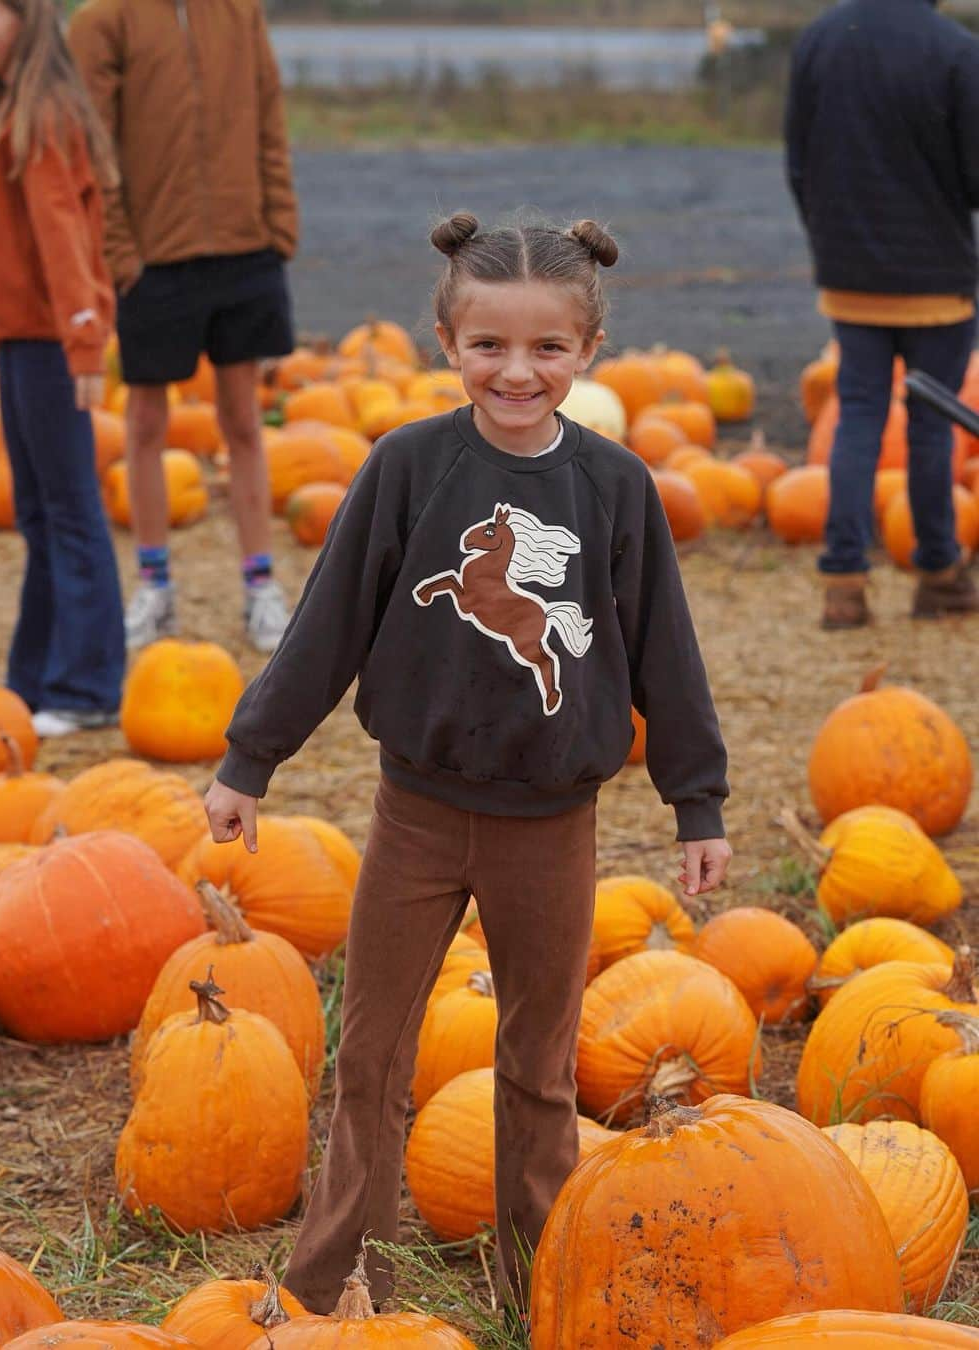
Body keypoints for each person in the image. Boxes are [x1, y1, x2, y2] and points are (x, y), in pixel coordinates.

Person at [204, 212, 731, 1318]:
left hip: (552, 822)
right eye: (489, 344)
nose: (518, 370)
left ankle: (541, 1277)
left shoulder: (617, 489)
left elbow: (666, 656)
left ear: (588, 352)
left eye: (547, 348)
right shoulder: (408, 469)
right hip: (418, 816)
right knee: (374, 1058)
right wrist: (250, 759)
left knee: (539, 1069)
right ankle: (337, 1277)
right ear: (447, 341)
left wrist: (699, 803)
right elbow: (329, 625)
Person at [69, 0, 298, 652]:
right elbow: (93, 142)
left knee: (244, 423)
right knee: (143, 423)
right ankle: (154, 587)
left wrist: (278, 224)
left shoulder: (238, 11)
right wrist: (119, 253)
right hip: (153, 262)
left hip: (246, 248)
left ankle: (260, 587)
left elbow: (269, 115)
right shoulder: (104, 19)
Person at [785, 0, 979, 629]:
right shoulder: (954, 49)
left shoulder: (819, 41)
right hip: (936, 276)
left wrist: (829, 238)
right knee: (929, 427)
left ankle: (843, 584)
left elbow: (798, 158)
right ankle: (940, 575)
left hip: (850, 277)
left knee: (858, 416)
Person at [0, 0, 125, 738]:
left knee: (70, 510)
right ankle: (32, 680)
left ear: (25, 20)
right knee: (38, 513)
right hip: (25, 340)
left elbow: (67, 244)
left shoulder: (45, 118)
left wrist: (85, 340)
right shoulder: (10, 113)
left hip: (56, 344)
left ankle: (87, 685)